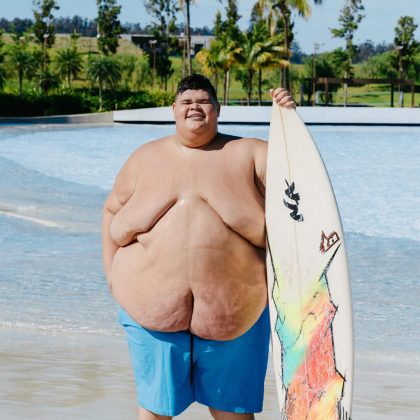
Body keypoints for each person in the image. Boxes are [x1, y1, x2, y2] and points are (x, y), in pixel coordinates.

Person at [102, 74, 295, 420]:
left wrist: (289, 120)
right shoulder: (144, 157)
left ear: (218, 110)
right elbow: (112, 211)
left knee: (233, 414)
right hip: (148, 311)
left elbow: (299, 189)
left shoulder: (251, 153)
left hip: (238, 313)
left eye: (203, 101)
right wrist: (111, 278)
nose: (195, 107)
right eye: (186, 102)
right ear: (173, 111)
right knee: (154, 412)